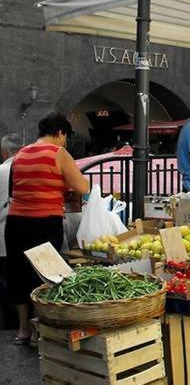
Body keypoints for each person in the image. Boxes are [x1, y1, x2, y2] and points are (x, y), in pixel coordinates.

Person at [6, 113, 89, 344]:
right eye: (65, 137)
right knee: (46, 275)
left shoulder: (20, 154)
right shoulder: (58, 153)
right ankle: (40, 330)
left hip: (16, 222)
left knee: (18, 274)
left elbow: (14, 190)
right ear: (60, 133)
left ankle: (23, 330)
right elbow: (82, 186)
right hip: (44, 221)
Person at [0, 134, 22, 329]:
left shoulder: (2, 170)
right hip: (27, 234)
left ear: (4, 151)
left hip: (3, 236)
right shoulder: (28, 170)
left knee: (7, 282)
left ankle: (11, 324)